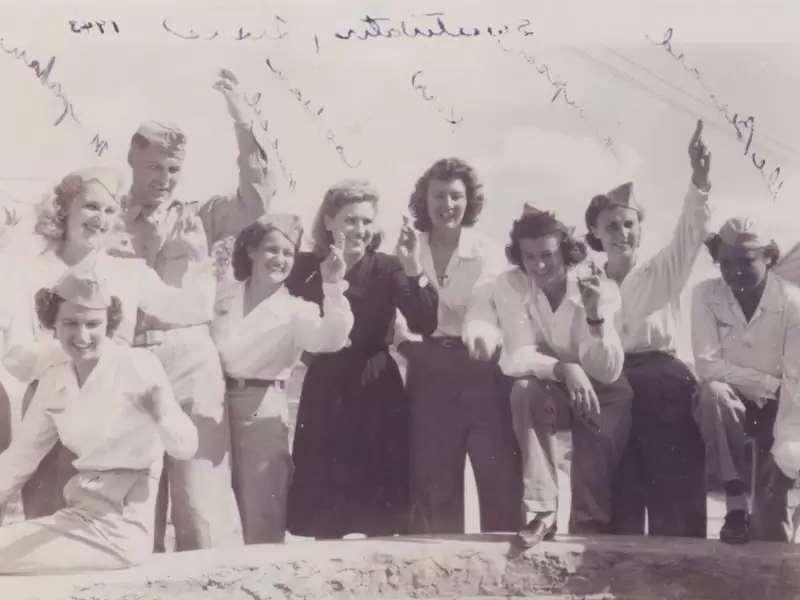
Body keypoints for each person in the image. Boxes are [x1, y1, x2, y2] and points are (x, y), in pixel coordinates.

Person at [1, 166, 213, 522]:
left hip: (115, 415)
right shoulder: (25, 271)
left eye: (110, 210)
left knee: (107, 525)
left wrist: (198, 259)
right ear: (65, 208)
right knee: (47, 521)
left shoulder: (128, 272)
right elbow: (16, 355)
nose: (100, 219)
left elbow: (191, 309)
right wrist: (78, 354)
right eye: (90, 206)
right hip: (51, 407)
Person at [122, 70, 273, 551]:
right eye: (155, 168)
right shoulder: (105, 215)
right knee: (132, 508)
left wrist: (242, 120)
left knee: (203, 506)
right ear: (133, 159)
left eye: (173, 170)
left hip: (189, 359)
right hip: (128, 362)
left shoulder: (199, 215)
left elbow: (258, 197)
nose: (164, 179)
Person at [0, 266, 197, 573]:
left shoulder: (137, 365)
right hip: (78, 515)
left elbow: (186, 447)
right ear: (52, 323)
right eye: (70, 323)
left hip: (121, 528)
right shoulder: (56, 376)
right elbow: (19, 459)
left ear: (109, 323)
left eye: (93, 324)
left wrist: (162, 415)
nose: (82, 336)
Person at [465, 204, 632, 547]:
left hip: (603, 388)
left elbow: (607, 369)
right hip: (555, 382)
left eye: (548, 255)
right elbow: (516, 355)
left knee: (592, 501)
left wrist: (595, 316)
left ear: (567, 252)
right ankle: (542, 512)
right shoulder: (510, 284)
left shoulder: (598, 285)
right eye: (529, 257)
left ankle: (589, 528)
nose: (539, 266)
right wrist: (563, 368)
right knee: (524, 390)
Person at [285, 179, 438, 539]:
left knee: (381, 509)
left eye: (366, 222)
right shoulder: (305, 267)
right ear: (328, 221)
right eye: (351, 220)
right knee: (324, 507)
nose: (360, 230)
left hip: (376, 386)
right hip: (325, 387)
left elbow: (425, 321)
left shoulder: (387, 267)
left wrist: (414, 268)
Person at [584, 119, 712, 538]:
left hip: (663, 382)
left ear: (640, 227)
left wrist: (699, 180)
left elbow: (690, 233)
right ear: (596, 235)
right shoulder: (588, 283)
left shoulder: (662, 270)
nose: (621, 233)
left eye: (629, 224)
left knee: (674, 491)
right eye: (611, 226)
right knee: (621, 489)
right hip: (613, 385)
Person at [211, 214, 353, 544]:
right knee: (214, 507)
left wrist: (332, 287)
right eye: (271, 250)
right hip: (213, 404)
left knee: (261, 509)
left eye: (288, 253)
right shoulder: (223, 295)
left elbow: (329, 339)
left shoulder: (295, 309)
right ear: (251, 251)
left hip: (263, 409)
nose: (280, 260)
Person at [400, 157, 520, 534]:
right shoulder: (408, 247)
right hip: (427, 368)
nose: (447, 205)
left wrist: (478, 336)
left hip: (480, 368)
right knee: (435, 482)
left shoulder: (487, 250)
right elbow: (396, 309)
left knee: (497, 475)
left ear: (469, 202)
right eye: (438, 196)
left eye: (456, 196)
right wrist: (408, 346)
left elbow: (489, 308)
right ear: (424, 199)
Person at [692, 216, 800, 544]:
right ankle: (735, 503)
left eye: (746, 261)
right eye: (725, 263)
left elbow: (795, 382)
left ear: (769, 256)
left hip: (783, 409)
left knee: (771, 535)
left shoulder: (793, 301)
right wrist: (767, 384)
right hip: (735, 404)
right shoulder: (704, 294)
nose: (735, 272)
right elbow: (708, 367)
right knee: (713, 394)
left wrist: (786, 451)